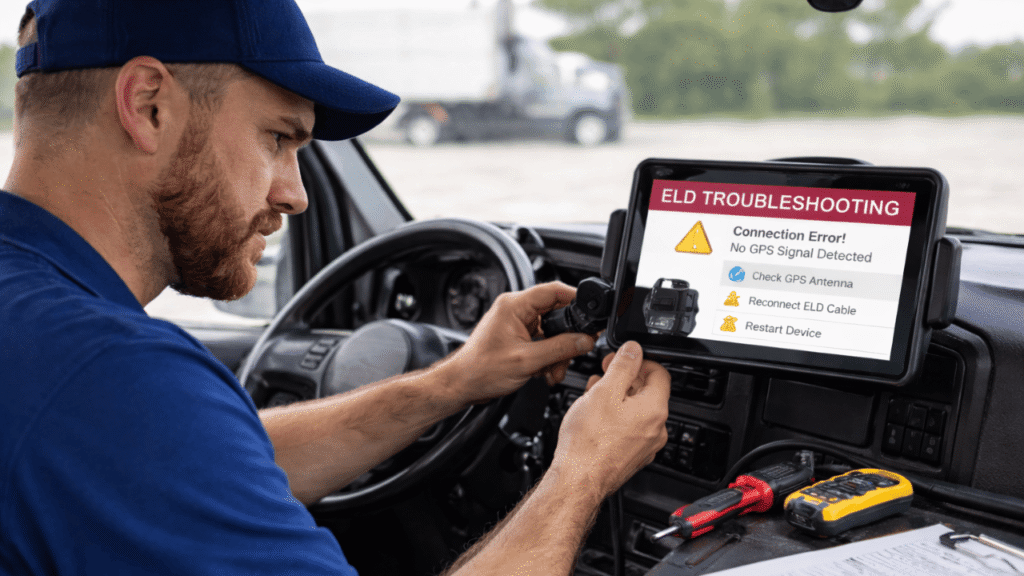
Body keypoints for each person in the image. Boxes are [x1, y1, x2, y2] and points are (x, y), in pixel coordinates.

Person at [0, 1, 671, 574]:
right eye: (276, 139)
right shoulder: (111, 378)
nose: (295, 195)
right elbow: (150, 436)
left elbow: (197, 468)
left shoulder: (43, 334)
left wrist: (454, 382)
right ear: (148, 106)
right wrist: (583, 472)